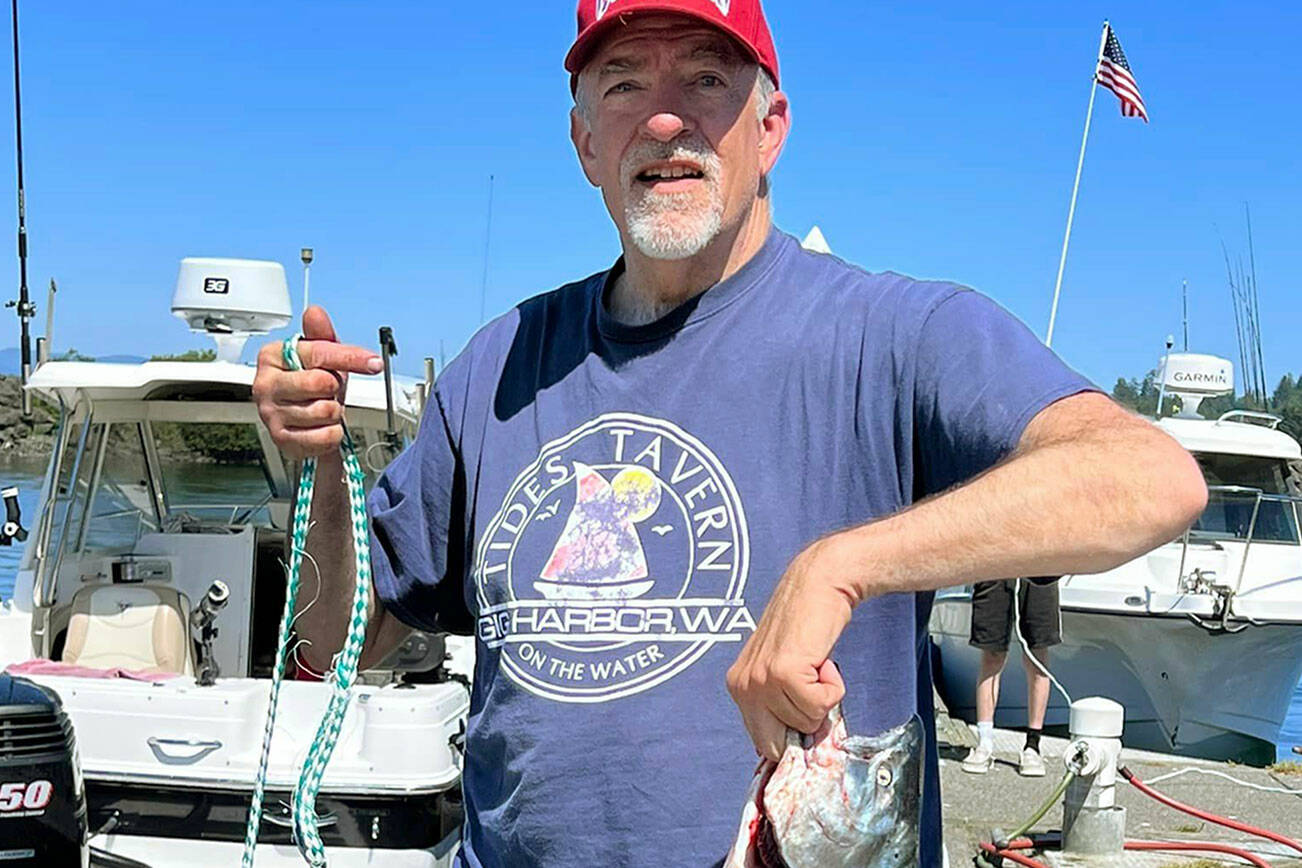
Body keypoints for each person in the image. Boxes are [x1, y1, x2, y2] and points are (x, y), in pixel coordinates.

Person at [252, 0, 1208, 864]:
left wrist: (843, 564)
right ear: (585, 142)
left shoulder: (896, 336)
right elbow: (332, 644)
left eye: (707, 79)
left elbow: (1149, 478)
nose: (666, 119)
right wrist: (319, 471)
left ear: (770, 127)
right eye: (624, 85)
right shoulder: (498, 366)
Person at [962, 576, 1061, 776]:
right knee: (992, 655)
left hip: (1040, 570)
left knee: (1037, 656)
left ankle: (1033, 746)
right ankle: (984, 743)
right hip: (997, 571)